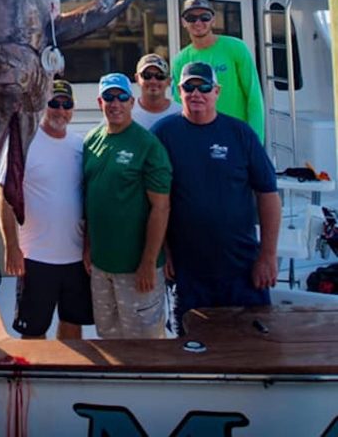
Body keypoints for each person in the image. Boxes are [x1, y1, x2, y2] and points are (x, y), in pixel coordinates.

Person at [153, 61, 280, 333]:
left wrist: (267, 256)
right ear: (179, 91)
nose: (196, 93)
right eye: (189, 86)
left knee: (254, 347)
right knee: (191, 350)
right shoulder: (162, 134)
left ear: (217, 91)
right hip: (187, 271)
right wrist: (163, 249)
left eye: (204, 86)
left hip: (242, 267)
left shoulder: (240, 133)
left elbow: (268, 194)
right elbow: (153, 199)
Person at [0, 79, 93, 339]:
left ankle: (67, 375)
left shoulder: (80, 146)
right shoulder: (24, 143)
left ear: (73, 109)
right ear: (42, 105)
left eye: (66, 104)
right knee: (34, 333)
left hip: (74, 259)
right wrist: (11, 246)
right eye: (54, 103)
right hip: (34, 259)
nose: (60, 110)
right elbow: (4, 195)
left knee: (73, 326)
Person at [83, 73, 172, 339]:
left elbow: (161, 208)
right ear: (100, 101)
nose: (115, 103)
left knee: (146, 346)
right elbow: (90, 198)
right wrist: (88, 246)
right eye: (109, 97)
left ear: (132, 102)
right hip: (101, 267)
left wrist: (148, 262)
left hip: (137, 271)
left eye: (122, 97)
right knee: (109, 338)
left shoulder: (148, 145)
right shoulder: (91, 141)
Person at [171, 0, 265, 141]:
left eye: (204, 17)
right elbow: (180, 106)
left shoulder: (236, 48)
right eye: (191, 18)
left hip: (236, 137)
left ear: (213, 20)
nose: (198, 22)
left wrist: (255, 140)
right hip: (199, 139)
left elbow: (254, 97)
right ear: (183, 22)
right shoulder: (179, 61)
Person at [132, 53, 181, 130]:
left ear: (169, 81)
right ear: (137, 78)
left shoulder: (180, 113)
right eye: (147, 75)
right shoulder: (127, 114)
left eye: (160, 76)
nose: (153, 81)